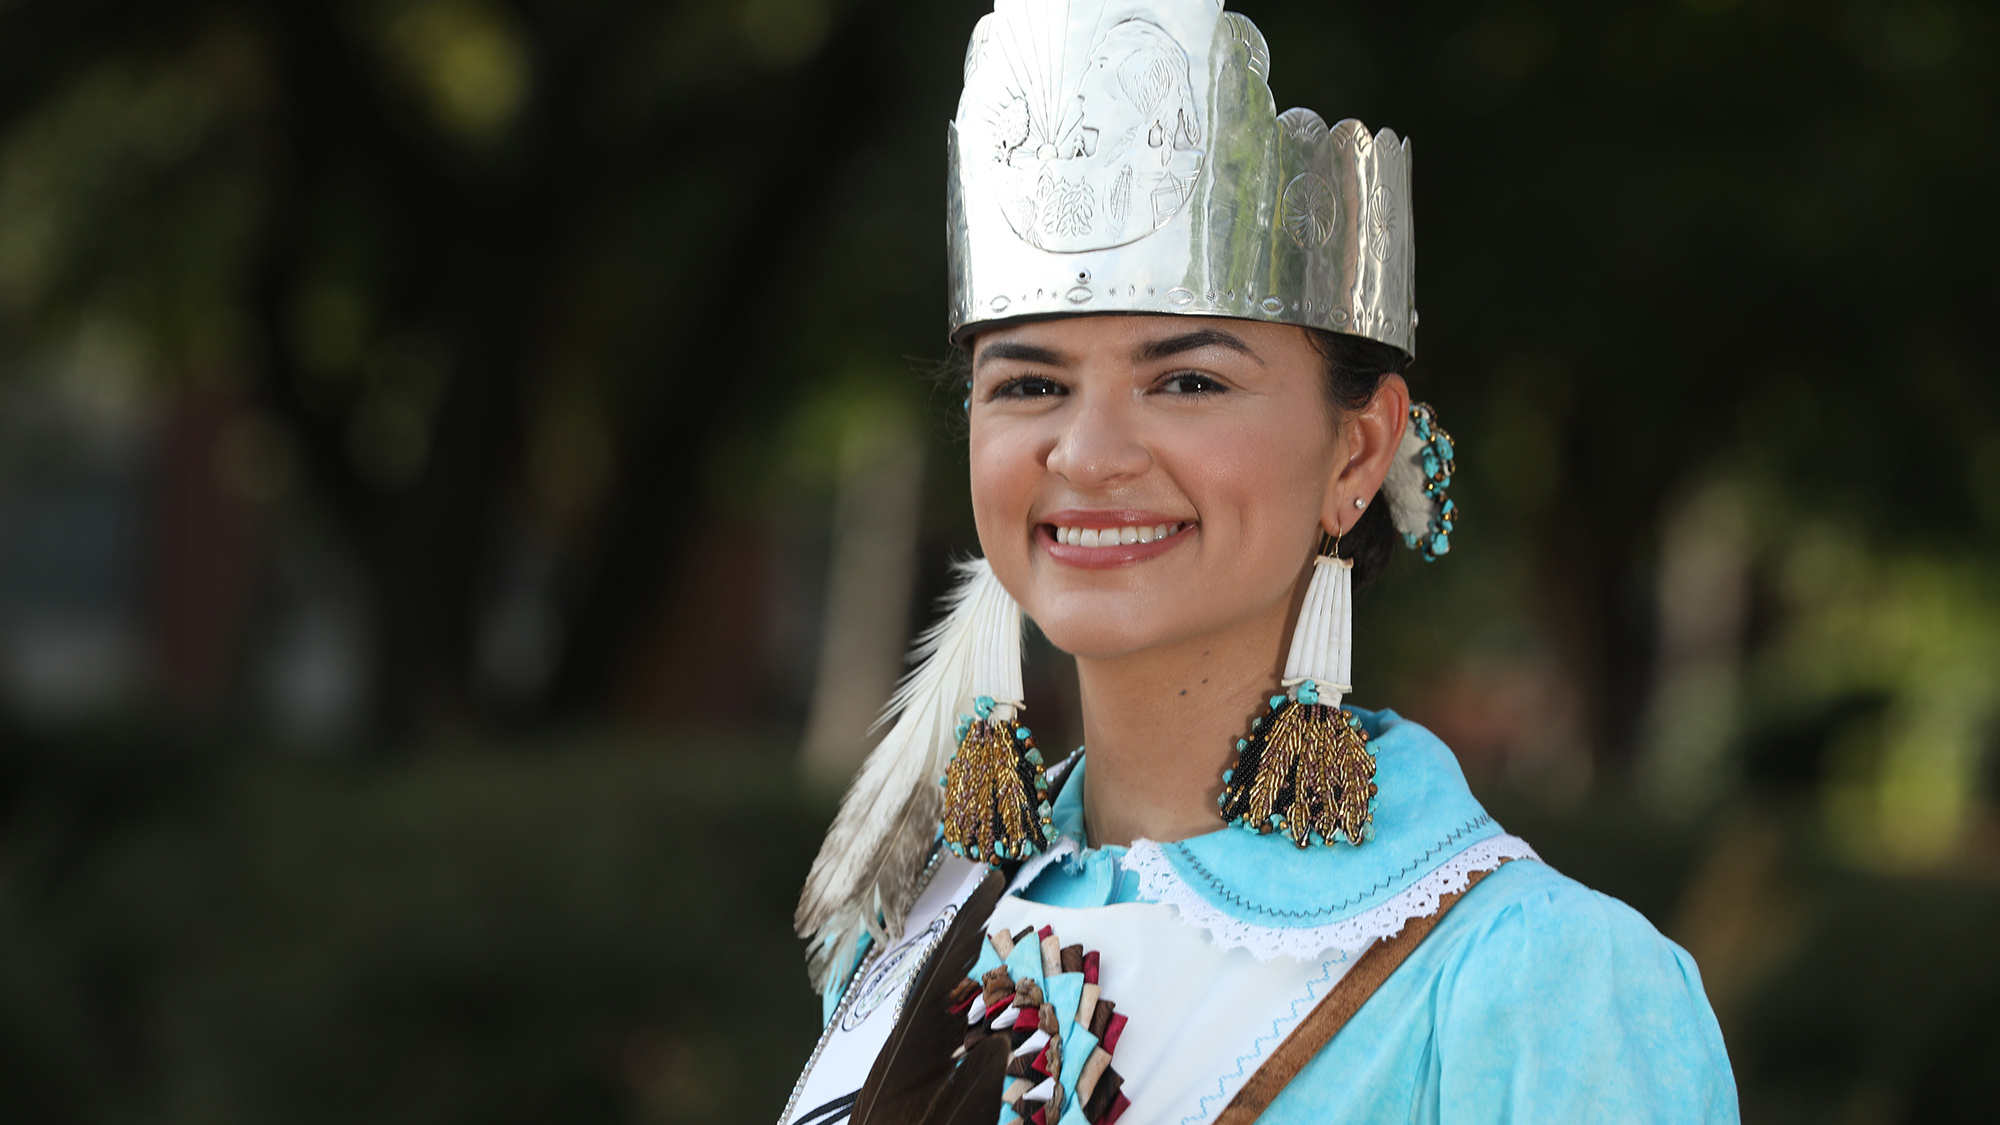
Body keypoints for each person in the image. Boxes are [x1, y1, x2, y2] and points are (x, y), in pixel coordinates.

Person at [783, 2, 1738, 1122]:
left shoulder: (1540, 983)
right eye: (1030, 384)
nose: (1086, 454)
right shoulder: (914, 922)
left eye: (1187, 381)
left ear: (1358, 451)